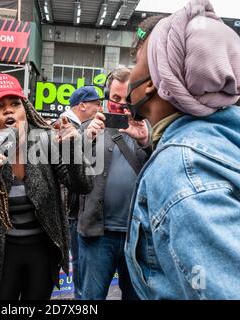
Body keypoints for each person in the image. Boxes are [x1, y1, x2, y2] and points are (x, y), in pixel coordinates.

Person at [124, 0, 240, 299]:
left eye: (137, 61)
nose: (130, 74)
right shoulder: (230, 140)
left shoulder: (183, 169)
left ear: (154, 80)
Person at [0, 73, 95, 300]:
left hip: (42, 251)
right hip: (1, 253)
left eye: (14, 104)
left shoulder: (45, 140)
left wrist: (72, 147)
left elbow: (83, 184)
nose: (8, 110)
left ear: (24, 108)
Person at [76, 66, 151, 300]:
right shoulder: (88, 129)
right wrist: (85, 141)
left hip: (137, 237)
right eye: (115, 98)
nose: (121, 104)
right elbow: (67, 173)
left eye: (126, 98)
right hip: (97, 234)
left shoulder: (149, 130)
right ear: (107, 99)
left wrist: (147, 141)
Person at [58, 86, 102, 299]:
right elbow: (67, 166)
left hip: (80, 207)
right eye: (96, 103)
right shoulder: (62, 125)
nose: (99, 108)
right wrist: (85, 136)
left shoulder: (86, 126)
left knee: (82, 264)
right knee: (80, 264)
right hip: (72, 208)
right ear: (83, 105)